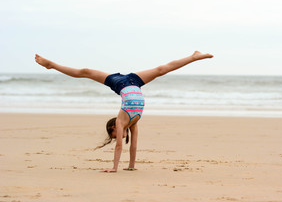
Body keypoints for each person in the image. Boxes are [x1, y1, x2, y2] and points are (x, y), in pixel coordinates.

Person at [35, 51, 213, 172]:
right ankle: (194, 57)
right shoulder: (134, 123)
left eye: (114, 135)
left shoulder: (121, 122)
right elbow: (133, 145)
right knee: (161, 70)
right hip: (134, 82)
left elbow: (120, 146)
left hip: (118, 83)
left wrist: (114, 168)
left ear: (113, 127)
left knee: (86, 72)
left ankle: (51, 65)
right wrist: (131, 166)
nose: (117, 137)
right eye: (117, 136)